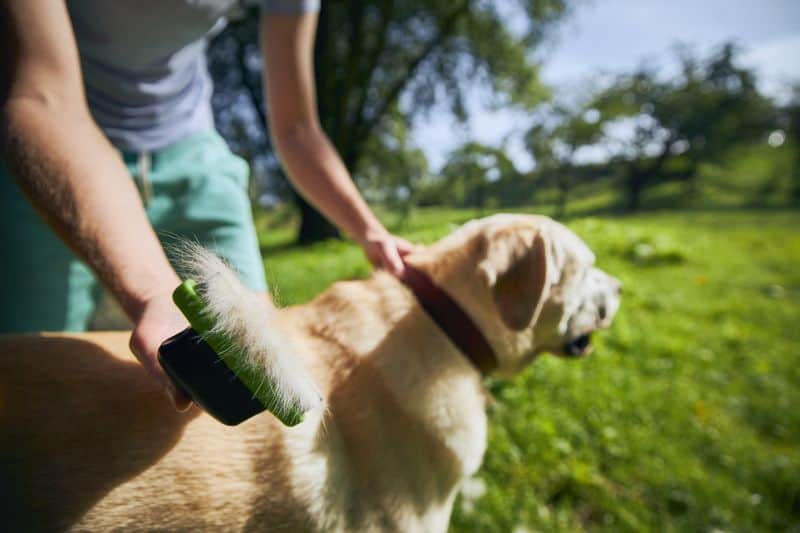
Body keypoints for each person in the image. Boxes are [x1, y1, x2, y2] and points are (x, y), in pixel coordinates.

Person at [0, 0, 414, 410]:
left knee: (255, 371)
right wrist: (154, 292)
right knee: (28, 392)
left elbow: (297, 128)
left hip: (193, 157)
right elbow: (42, 97)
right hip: (55, 153)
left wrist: (368, 229)